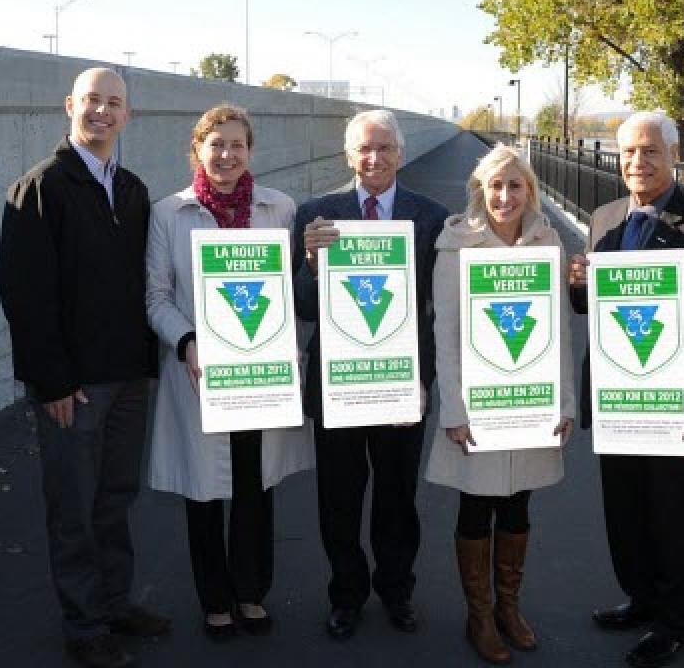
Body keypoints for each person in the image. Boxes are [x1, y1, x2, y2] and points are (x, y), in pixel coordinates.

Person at [0, 67, 167, 668]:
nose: (102, 112)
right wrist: (52, 382)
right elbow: (23, 293)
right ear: (70, 105)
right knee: (73, 505)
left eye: (113, 103)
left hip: (128, 377)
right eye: (92, 100)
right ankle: (84, 623)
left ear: (127, 115)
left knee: (116, 497)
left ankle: (115, 602)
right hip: (74, 386)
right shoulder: (40, 187)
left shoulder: (134, 189)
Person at [567, 112, 684, 668]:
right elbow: (597, 307)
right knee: (626, 509)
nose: (637, 163)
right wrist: (578, 287)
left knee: (677, 515)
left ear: (671, 156)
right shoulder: (605, 217)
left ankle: (675, 621)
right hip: (619, 396)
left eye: (649, 152)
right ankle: (640, 599)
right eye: (628, 153)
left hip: (677, 400)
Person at [144, 104, 313, 642]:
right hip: (199, 375)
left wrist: (314, 261)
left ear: (251, 151)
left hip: (258, 372)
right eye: (216, 144)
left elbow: (292, 289)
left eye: (237, 144)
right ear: (197, 150)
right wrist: (187, 340)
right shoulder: (169, 213)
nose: (227, 155)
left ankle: (251, 592)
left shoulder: (279, 209)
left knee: (254, 486)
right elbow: (155, 297)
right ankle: (215, 600)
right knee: (204, 492)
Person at [292, 109, 449, 640]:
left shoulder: (430, 216)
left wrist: (426, 380)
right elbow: (303, 305)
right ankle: (346, 594)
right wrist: (315, 266)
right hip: (338, 383)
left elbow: (439, 306)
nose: (374, 158)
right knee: (339, 498)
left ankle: (397, 590)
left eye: (384, 148)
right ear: (348, 154)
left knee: (397, 498)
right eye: (364, 148)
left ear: (400, 154)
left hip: (402, 382)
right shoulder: (317, 216)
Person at [424, 144, 575, 664]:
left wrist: (566, 403)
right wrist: (454, 411)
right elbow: (444, 332)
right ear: (480, 190)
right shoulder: (456, 244)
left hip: (530, 403)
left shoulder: (547, 241)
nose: (505, 196)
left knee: (517, 505)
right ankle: (480, 615)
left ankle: (510, 606)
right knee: (476, 505)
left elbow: (559, 329)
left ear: (529, 190)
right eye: (495, 186)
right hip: (478, 408)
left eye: (515, 185)